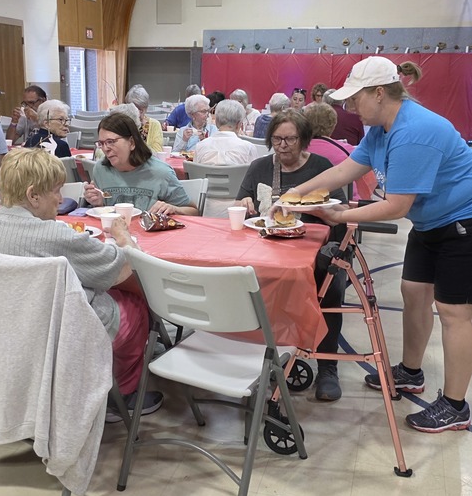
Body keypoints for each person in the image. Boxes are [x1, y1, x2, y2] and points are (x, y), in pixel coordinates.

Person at [277, 56, 472, 432]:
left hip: (462, 222)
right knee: (414, 293)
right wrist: (293, 193)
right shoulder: (380, 130)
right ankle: (411, 372)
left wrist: (340, 214)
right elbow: (344, 170)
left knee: (454, 313)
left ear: (380, 93)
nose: (350, 107)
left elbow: (396, 207)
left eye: (356, 98)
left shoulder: (414, 130)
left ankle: (455, 405)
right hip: (429, 224)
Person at [0, 148, 162, 418]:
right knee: (135, 305)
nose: (61, 199)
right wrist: (123, 237)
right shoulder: (56, 235)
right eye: (56, 191)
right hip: (62, 336)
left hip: (3, 336)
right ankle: (121, 395)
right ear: (33, 195)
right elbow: (123, 266)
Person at [237, 108, 347, 401]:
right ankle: (267, 357)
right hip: (268, 249)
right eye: (277, 139)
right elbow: (240, 203)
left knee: (331, 286)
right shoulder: (260, 167)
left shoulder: (322, 167)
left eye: (290, 139)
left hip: (314, 250)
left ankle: (328, 367)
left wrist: (319, 210)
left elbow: (342, 212)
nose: (282, 146)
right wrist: (245, 203)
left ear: (304, 139)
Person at [84, 113, 197, 215]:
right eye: (101, 143)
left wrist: (174, 209)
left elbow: (193, 212)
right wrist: (98, 203)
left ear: (132, 143)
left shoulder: (161, 173)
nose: (105, 149)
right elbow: (104, 213)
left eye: (110, 142)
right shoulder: (101, 169)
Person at [193, 99, 260, 165]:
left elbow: (194, 171)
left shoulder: (200, 147)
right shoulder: (248, 148)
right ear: (239, 125)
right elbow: (255, 172)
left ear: (216, 122)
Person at [124, 85, 164, 152]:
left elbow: (157, 152)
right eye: (135, 108)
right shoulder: (124, 124)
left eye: (141, 109)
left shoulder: (154, 125)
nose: (138, 113)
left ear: (146, 108)